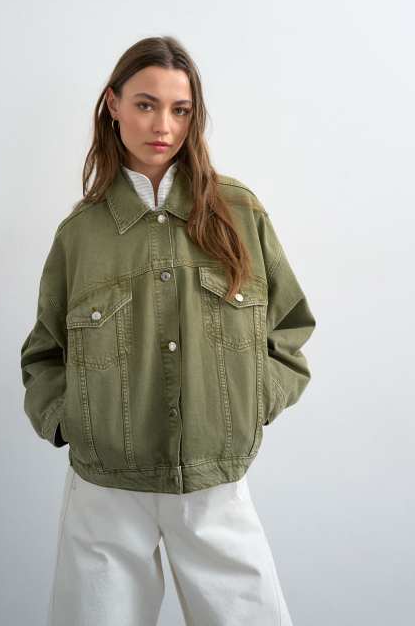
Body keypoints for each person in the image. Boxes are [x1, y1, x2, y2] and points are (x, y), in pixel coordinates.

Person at [20, 35, 316, 626]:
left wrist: (249, 403)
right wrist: (71, 421)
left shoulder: (239, 213)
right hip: (105, 493)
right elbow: (44, 353)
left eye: (180, 109)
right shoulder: (80, 234)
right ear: (113, 104)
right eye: (146, 104)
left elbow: (289, 327)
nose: (163, 125)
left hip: (214, 484)